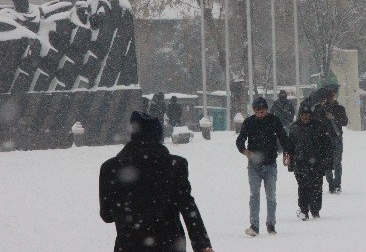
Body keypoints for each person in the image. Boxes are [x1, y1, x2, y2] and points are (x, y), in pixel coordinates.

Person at [99, 111, 214, 252]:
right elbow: (188, 207)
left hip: (129, 245)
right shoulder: (176, 165)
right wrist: (202, 245)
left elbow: (107, 215)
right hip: (170, 245)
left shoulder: (110, 168)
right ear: (159, 136)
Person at [236, 97, 292, 236]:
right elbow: (240, 139)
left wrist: (286, 153)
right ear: (254, 111)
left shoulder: (274, 121)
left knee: (271, 195)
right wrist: (245, 151)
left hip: (270, 164)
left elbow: (283, 138)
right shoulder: (249, 122)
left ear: (266, 110)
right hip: (254, 165)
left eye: (262, 111)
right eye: (257, 112)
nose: (260, 114)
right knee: (254, 195)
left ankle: (271, 224)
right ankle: (254, 225)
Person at [288, 102, 333, 220]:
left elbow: (327, 145)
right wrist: (291, 163)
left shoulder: (319, 126)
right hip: (300, 162)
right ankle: (304, 210)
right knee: (302, 187)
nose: (305, 117)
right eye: (303, 115)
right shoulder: (295, 128)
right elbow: (290, 147)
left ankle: (315, 209)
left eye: (307, 114)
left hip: (317, 163)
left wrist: (327, 161)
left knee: (317, 187)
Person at [313, 87, 348, 194]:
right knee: (327, 163)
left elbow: (345, 121)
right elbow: (314, 120)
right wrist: (321, 109)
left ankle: (337, 185)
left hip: (336, 138)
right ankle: (331, 184)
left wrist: (333, 117)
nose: (331, 98)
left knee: (337, 162)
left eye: (333, 96)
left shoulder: (339, 108)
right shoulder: (319, 108)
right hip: (324, 139)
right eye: (329, 97)